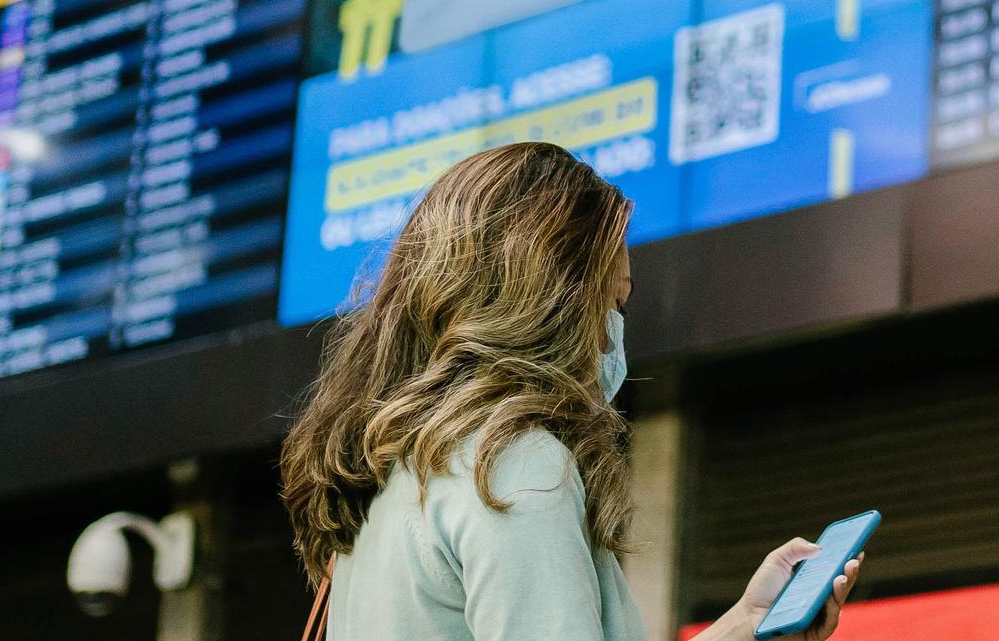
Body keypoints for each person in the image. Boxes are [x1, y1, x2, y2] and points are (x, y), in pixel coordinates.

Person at [280, 141, 861, 640]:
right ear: (551, 307)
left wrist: (743, 625)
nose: (614, 338)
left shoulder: (390, 473)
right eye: (614, 302)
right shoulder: (510, 463)